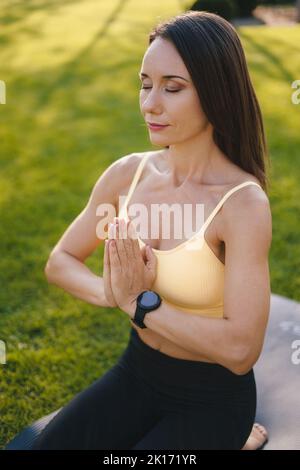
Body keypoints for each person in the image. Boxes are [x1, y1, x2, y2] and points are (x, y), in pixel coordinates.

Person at [28, 11, 272, 450]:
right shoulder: (128, 176)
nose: (149, 104)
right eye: (145, 84)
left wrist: (140, 304)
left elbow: (241, 351)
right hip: (137, 373)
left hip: (213, 399)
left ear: (217, 94)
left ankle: (238, 440)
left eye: (172, 88)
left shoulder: (241, 204)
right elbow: (61, 261)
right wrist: (112, 292)